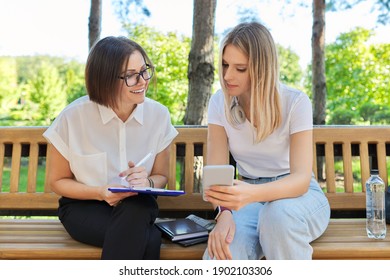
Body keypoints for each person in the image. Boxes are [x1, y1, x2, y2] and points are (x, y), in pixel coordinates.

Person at [202, 22, 330, 260]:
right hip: (246, 199)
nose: (228, 76)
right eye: (225, 65)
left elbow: (301, 180)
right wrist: (224, 214)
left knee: (277, 218)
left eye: (240, 68)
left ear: (262, 69)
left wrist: (252, 194)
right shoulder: (219, 103)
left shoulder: (295, 103)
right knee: (222, 252)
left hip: (297, 196)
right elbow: (217, 174)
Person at [43, 36, 178, 260]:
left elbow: (161, 176)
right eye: (131, 76)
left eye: (144, 71)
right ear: (104, 79)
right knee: (150, 238)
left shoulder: (159, 116)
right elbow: (57, 181)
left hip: (138, 205)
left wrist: (147, 183)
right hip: (84, 207)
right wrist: (100, 192)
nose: (143, 80)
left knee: (139, 207)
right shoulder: (73, 117)